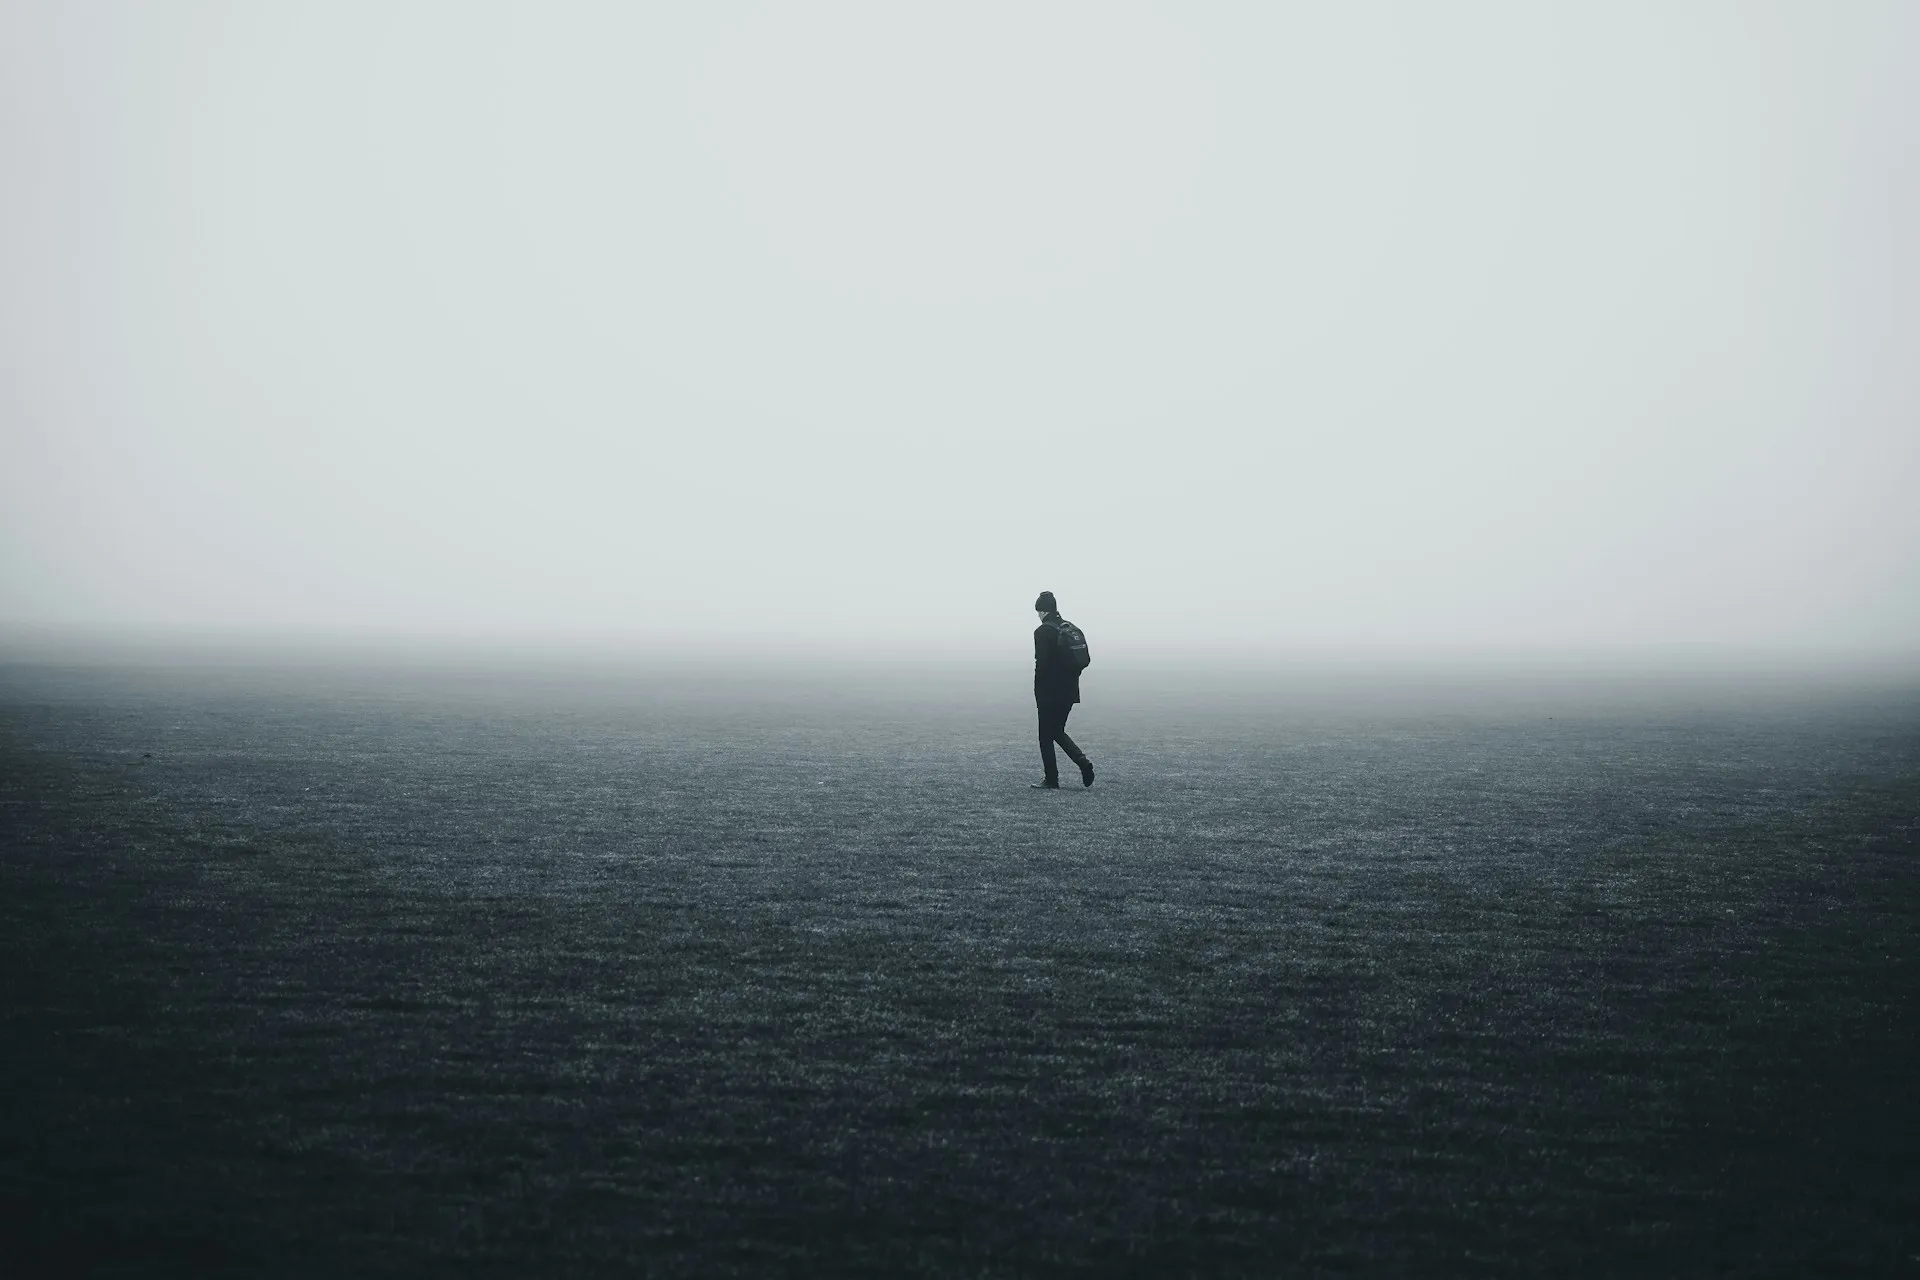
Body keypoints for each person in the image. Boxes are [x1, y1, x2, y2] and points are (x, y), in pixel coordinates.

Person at [1031, 590, 1095, 789]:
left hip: (1049, 692)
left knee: (1045, 735)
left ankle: (1052, 779)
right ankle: (1083, 762)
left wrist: (1038, 691)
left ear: (1041, 611)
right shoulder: (1070, 627)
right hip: (1069, 691)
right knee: (1057, 731)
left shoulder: (1042, 632)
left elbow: (1041, 665)